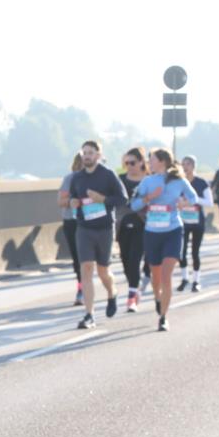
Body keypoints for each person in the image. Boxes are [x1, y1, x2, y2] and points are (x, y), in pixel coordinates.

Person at [130, 148, 198, 331]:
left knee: (166, 276)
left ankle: (163, 317)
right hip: (152, 232)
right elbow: (134, 205)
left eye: (151, 159)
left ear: (162, 161)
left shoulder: (179, 181)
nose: (148, 163)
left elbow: (194, 197)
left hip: (173, 230)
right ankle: (157, 298)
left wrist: (184, 203)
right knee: (156, 276)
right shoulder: (148, 181)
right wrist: (149, 198)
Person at [68, 140, 127, 329]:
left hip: (104, 229)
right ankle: (89, 314)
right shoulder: (77, 178)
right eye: (84, 152)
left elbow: (123, 198)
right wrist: (73, 202)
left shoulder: (108, 175)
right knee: (86, 268)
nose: (87, 156)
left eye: (91, 152)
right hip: (84, 228)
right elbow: (72, 197)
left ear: (98, 155)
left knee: (103, 271)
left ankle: (112, 292)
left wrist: (103, 199)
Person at [117, 147, 149, 312]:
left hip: (144, 224)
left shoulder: (149, 179)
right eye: (126, 162)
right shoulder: (120, 179)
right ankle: (134, 287)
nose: (129, 166)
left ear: (142, 162)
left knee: (135, 259)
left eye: (133, 162)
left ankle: (131, 298)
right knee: (125, 260)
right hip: (123, 224)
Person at [177, 155, 213, 292]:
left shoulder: (201, 183)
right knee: (181, 251)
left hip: (197, 221)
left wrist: (194, 200)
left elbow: (209, 202)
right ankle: (184, 278)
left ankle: (196, 281)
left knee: (195, 252)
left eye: (187, 164)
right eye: (183, 164)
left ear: (193, 166)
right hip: (183, 221)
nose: (185, 167)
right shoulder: (179, 182)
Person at [58, 153, 84, 306]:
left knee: (90, 259)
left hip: (92, 221)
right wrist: (73, 201)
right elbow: (60, 201)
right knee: (78, 258)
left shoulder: (100, 178)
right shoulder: (70, 179)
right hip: (72, 221)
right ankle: (81, 288)